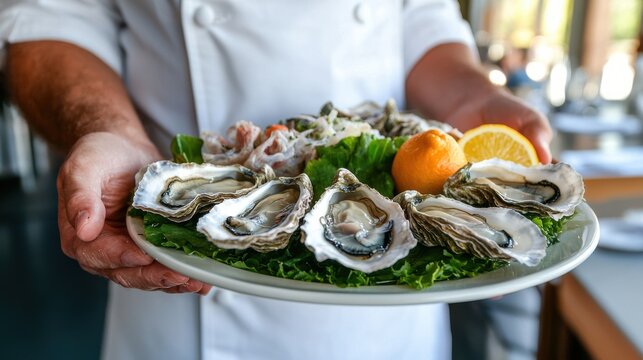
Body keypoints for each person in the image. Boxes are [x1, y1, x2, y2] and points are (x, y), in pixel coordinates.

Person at [0, 1, 552, 359]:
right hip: (180, 279)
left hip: (385, 313)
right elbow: (51, 19)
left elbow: (422, 20)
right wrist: (106, 131)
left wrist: (476, 99)